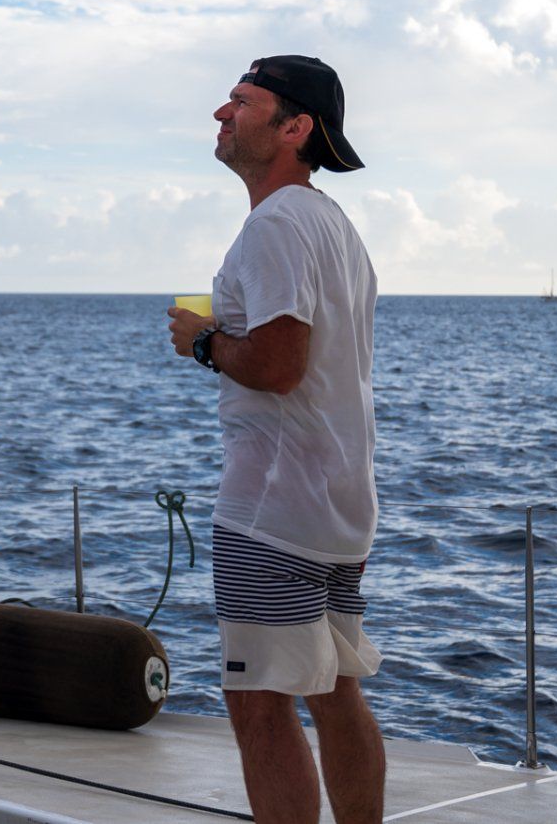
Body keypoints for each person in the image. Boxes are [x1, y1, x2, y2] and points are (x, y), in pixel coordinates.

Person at [168, 55, 383, 824]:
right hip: (340, 505)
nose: (221, 115)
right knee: (334, 688)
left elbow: (280, 366)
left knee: (258, 703)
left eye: (241, 102)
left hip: (273, 511)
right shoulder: (333, 226)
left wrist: (201, 341)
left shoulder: (276, 225)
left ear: (296, 128)